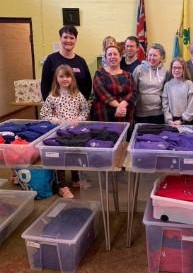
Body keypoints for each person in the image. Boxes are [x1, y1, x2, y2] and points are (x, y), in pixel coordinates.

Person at [40, 64, 89, 199]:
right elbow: (44, 114)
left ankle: (76, 179)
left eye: (68, 76)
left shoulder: (77, 94)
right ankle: (62, 186)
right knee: (60, 157)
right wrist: (57, 121)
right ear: (56, 78)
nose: (65, 79)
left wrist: (79, 119)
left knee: (75, 154)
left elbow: (85, 109)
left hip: (74, 131)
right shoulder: (52, 96)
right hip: (58, 132)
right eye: (61, 76)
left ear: (72, 78)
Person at [41, 25, 92, 101]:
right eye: (65, 37)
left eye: (72, 38)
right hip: (56, 108)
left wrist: (82, 104)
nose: (68, 41)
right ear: (60, 38)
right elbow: (45, 85)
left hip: (77, 107)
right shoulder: (51, 60)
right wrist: (50, 105)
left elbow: (88, 84)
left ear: (75, 40)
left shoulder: (81, 62)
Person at [91, 45, 136, 125]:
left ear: (120, 57)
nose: (112, 57)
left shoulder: (128, 75)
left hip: (125, 117)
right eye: (109, 54)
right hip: (104, 118)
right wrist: (119, 106)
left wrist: (122, 105)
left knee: (126, 137)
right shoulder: (99, 74)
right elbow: (102, 93)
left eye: (115, 54)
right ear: (105, 58)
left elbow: (133, 93)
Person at [132, 43, 169, 124]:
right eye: (150, 55)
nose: (151, 58)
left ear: (161, 57)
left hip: (158, 113)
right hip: (141, 113)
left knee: (157, 135)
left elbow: (166, 92)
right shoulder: (139, 69)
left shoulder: (165, 72)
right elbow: (132, 90)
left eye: (155, 55)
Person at [162, 57, 193, 125]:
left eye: (179, 68)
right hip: (171, 122)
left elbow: (192, 106)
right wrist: (169, 119)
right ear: (171, 69)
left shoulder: (189, 84)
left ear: (183, 69)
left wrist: (182, 120)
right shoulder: (167, 85)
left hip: (186, 121)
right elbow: (165, 105)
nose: (177, 70)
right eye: (174, 67)